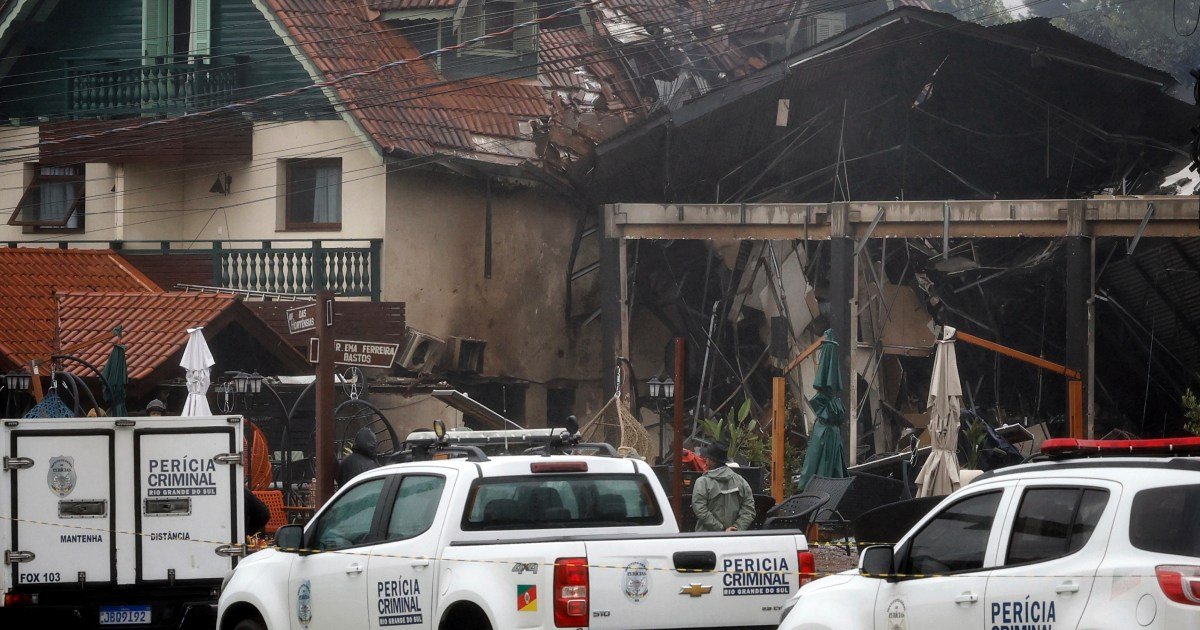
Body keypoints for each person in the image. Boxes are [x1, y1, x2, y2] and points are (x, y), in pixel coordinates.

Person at [691, 441, 756, 532]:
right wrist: (736, 529)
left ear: (712, 461)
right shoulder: (741, 481)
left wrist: (721, 530)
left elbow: (700, 510)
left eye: (707, 458)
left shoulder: (702, 482)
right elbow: (749, 510)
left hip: (706, 539)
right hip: (733, 540)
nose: (705, 461)